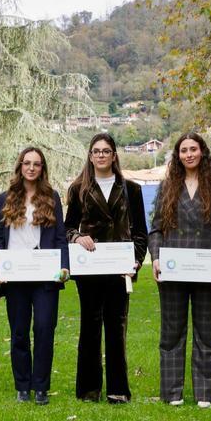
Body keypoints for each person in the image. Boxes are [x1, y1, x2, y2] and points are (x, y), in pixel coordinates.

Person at [148, 132, 211, 407]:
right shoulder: (167, 187)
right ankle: (172, 393)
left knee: (206, 333)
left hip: (206, 270)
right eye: (184, 150)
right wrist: (157, 258)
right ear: (178, 156)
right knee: (172, 332)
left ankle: (205, 394)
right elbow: (156, 229)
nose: (189, 154)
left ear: (202, 152)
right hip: (173, 271)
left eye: (193, 149)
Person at [64, 132, 148, 404]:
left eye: (106, 151)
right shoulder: (78, 189)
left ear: (114, 155)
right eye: (96, 151)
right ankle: (88, 390)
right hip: (89, 268)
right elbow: (66, 229)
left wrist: (135, 261)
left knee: (116, 328)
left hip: (120, 270)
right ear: (90, 156)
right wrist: (77, 238)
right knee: (90, 327)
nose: (101, 155)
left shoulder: (131, 189)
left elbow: (140, 233)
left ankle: (118, 389)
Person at [0, 147, 70, 405]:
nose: (31, 168)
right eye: (27, 163)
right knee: (20, 332)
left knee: (45, 329)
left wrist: (64, 267)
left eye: (36, 164)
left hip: (45, 274)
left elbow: (60, 237)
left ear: (42, 168)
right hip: (15, 276)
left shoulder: (52, 198)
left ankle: (41, 387)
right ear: (20, 167)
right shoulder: (4, 199)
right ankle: (22, 386)